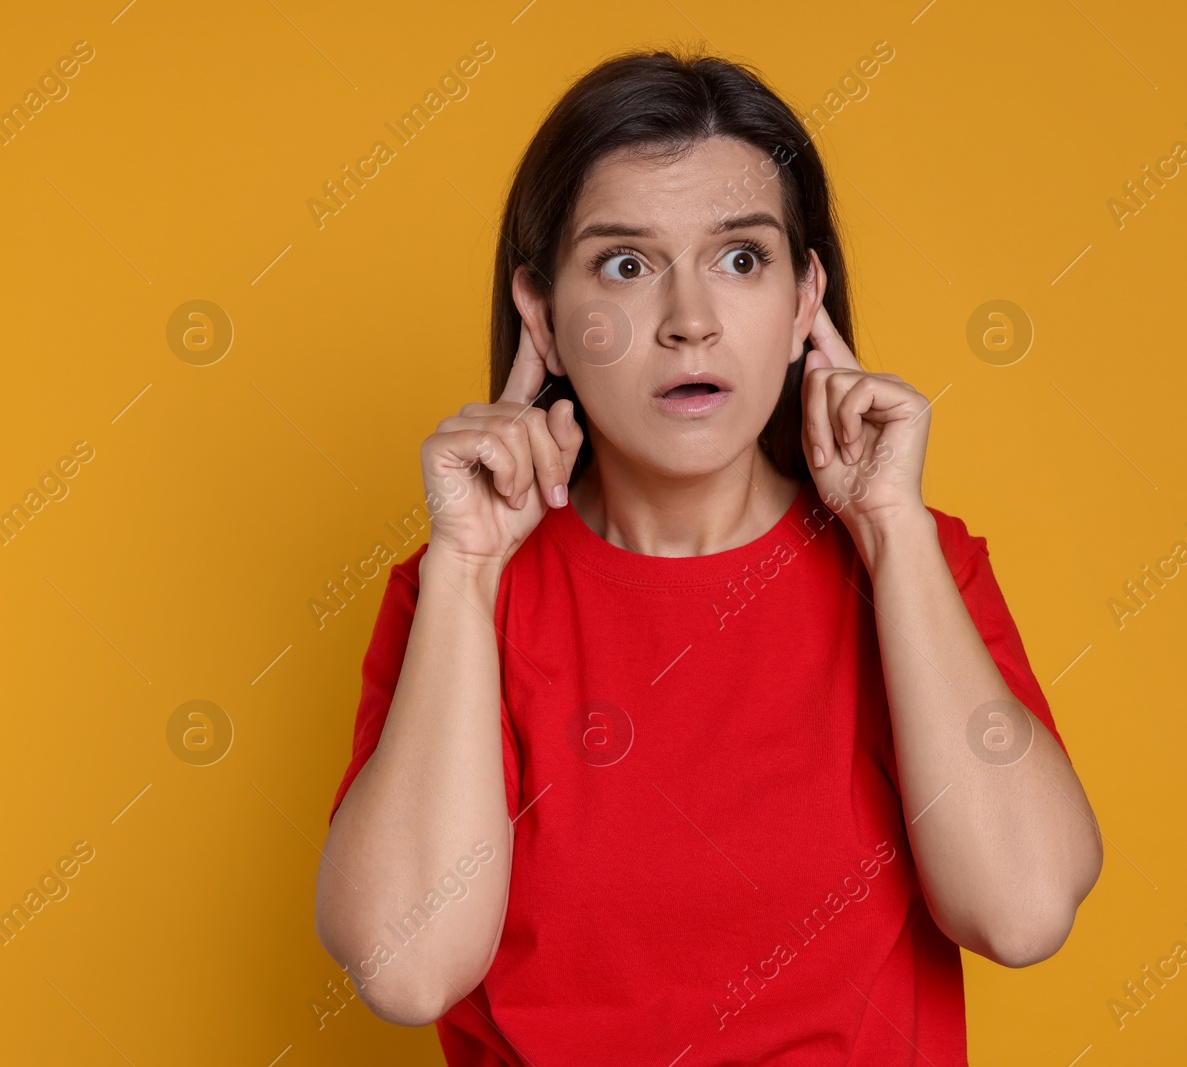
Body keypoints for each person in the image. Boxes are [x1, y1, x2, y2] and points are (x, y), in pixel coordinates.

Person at [314, 46, 1102, 1066]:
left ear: (804, 299)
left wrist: (891, 529)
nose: (690, 321)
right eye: (625, 264)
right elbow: (408, 965)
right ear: (543, 316)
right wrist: (465, 569)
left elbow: (1022, 909)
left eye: (740, 259)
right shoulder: (458, 592)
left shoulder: (917, 564)